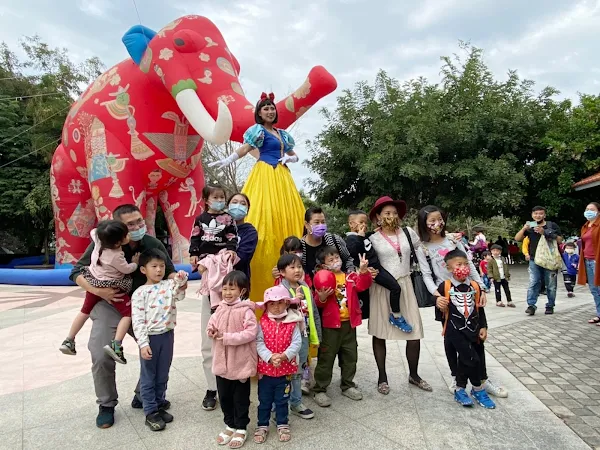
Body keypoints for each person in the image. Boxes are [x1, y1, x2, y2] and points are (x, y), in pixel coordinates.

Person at [69, 204, 178, 428]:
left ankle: (145, 396)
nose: (138, 226)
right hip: (111, 304)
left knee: (157, 352)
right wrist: (99, 291)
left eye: (139, 221)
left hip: (144, 307)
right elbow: (76, 272)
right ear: (120, 228)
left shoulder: (151, 243)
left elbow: (169, 270)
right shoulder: (105, 241)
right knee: (101, 354)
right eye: (131, 224)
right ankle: (106, 404)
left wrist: (179, 279)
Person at [208, 93, 305, 301]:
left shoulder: (282, 134)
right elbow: (245, 148)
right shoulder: (258, 131)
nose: (270, 111)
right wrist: (229, 159)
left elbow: (292, 153)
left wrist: (292, 158)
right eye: (266, 108)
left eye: (272, 108)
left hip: (282, 176)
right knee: (263, 214)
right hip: (264, 175)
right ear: (259, 113)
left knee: (286, 214)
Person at [417, 205, 507, 399]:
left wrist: (480, 288)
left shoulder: (453, 240)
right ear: (424, 223)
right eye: (431, 221)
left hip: (468, 292)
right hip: (446, 297)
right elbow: (426, 275)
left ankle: (482, 379)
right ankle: (456, 378)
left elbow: (470, 265)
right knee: (451, 340)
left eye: (439, 219)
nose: (437, 224)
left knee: (477, 338)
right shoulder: (422, 248)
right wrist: (437, 296)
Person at [367, 196, 434, 395]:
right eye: (387, 213)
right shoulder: (372, 238)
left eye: (394, 213)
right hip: (381, 288)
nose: (391, 216)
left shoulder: (408, 232)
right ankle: (382, 377)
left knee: (414, 333)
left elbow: (424, 247)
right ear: (378, 217)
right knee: (380, 333)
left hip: (405, 285)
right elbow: (365, 261)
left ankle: (414, 374)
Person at [60, 220, 139, 364]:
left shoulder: (98, 238)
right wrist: (135, 263)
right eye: (126, 235)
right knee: (128, 314)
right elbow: (126, 269)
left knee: (84, 311)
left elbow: (94, 231)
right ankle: (116, 345)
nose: (129, 235)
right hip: (112, 286)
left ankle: (69, 340)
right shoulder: (116, 255)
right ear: (117, 243)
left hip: (94, 281)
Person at [189, 183, 238, 411]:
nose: (220, 200)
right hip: (208, 271)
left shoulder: (229, 219)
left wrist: (229, 253)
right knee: (209, 338)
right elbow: (195, 239)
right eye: (215, 197)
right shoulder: (200, 219)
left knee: (231, 336)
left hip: (226, 270)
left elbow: (232, 238)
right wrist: (194, 257)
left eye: (222, 197)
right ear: (206, 199)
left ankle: (235, 381)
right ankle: (211, 388)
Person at [131, 250, 188, 431]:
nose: (158, 270)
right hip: (151, 338)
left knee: (163, 372)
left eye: (162, 266)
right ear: (143, 270)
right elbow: (137, 320)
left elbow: (179, 294)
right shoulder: (140, 293)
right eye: (154, 266)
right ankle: (150, 412)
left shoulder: (168, 286)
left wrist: (181, 279)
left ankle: (159, 402)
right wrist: (143, 343)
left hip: (167, 335)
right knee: (149, 376)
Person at [434, 249, 495, 409]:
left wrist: (483, 326)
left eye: (466, 264)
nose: (464, 267)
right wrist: (439, 304)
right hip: (455, 331)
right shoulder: (445, 286)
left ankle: (460, 389)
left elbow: (479, 309)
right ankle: (478, 388)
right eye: (459, 264)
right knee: (471, 358)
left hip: (473, 329)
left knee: (467, 358)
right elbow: (439, 311)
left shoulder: (475, 286)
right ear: (449, 268)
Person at [311, 247, 371, 407]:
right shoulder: (322, 278)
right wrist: (322, 297)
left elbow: (363, 286)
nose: (335, 261)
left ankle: (347, 384)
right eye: (330, 260)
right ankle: (320, 388)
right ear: (323, 266)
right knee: (326, 357)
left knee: (350, 356)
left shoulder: (350, 277)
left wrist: (364, 272)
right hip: (330, 326)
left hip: (349, 325)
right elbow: (316, 303)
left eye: (336, 257)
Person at [207, 271, 258, 448]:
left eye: (232, 289)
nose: (227, 292)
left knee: (240, 398)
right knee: (225, 397)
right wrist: (211, 331)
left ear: (242, 291)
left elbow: (251, 333)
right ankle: (229, 424)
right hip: (221, 364)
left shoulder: (246, 311)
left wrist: (228, 337)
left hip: (240, 364)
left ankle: (241, 427)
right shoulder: (219, 309)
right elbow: (211, 325)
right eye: (225, 288)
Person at [345, 210, 412, 332]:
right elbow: (353, 251)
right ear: (351, 224)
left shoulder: (364, 235)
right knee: (395, 288)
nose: (364, 225)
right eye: (360, 222)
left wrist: (373, 232)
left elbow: (368, 238)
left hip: (378, 267)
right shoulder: (351, 239)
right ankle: (396, 316)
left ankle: (395, 314)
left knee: (395, 288)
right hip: (373, 271)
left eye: (365, 222)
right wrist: (360, 236)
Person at [254, 286, 302, 444]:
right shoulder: (263, 322)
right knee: (264, 400)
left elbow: (297, 342)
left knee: (282, 400)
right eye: (272, 303)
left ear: (287, 304)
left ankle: (282, 423)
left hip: (285, 370)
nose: (276, 307)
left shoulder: (292, 323)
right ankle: (262, 425)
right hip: (266, 371)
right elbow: (259, 342)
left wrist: (284, 356)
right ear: (266, 305)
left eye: (280, 303)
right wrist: (269, 357)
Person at [277, 253, 321, 419]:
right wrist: (292, 301)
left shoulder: (305, 288)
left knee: (298, 370)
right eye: (292, 267)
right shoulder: (279, 290)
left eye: (299, 267)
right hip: (286, 341)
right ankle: (279, 403)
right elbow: (276, 313)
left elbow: (313, 312)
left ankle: (296, 402)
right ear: (282, 272)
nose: (297, 270)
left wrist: (316, 336)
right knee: (284, 372)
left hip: (302, 337)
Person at [515, 206, 562, 316]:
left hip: (549, 259)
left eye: (540, 214)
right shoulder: (531, 225)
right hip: (534, 259)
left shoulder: (551, 225)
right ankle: (531, 305)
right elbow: (517, 239)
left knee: (550, 284)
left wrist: (545, 232)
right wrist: (523, 229)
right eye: (535, 214)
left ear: (544, 215)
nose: (538, 216)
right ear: (532, 215)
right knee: (534, 282)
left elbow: (560, 240)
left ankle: (550, 305)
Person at [301, 206, 354, 279]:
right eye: (316, 222)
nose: (321, 225)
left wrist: (350, 273)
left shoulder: (335, 240)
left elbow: (349, 258)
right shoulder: (300, 247)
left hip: (341, 286)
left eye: (323, 222)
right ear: (307, 225)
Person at [228, 193, 258, 285]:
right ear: (228, 206)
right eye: (235, 202)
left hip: (238, 283)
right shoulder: (219, 228)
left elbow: (241, 258)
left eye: (243, 204)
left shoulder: (250, 232)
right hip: (213, 281)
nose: (238, 206)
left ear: (247, 210)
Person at [578, 202, 600, 323]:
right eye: (587, 209)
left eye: (592, 209)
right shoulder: (586, 226)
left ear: (598, 211)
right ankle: (599, 313)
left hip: (597, 260)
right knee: (594, 289)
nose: (588, 211)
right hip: (587, 260)